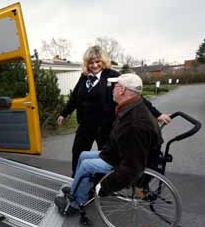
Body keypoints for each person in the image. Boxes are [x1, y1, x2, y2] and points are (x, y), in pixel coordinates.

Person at [54, 73, 163, 216]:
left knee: (87, 165)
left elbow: (132, 167)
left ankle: (74, 205)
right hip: (117, 153)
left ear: (122, 90)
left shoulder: (134, 123)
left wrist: (104, 187)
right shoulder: (131, 106)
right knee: (83, 155)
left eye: (115, 86)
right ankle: (79, 189)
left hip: (122, 160)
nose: (112, 89)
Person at [57, 46, 170, 177]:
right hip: (86, 125)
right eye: (91, 62)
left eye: (97, 61)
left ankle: (100, 183)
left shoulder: (113, 76)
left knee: (104, 156)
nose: (94, 65)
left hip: (105, 126)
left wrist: (157, 114)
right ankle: (76, 179)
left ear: (103, 61)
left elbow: (135, 96)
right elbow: (75, 97)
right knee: (78, 152)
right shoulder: (84, 77)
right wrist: (64, 113)